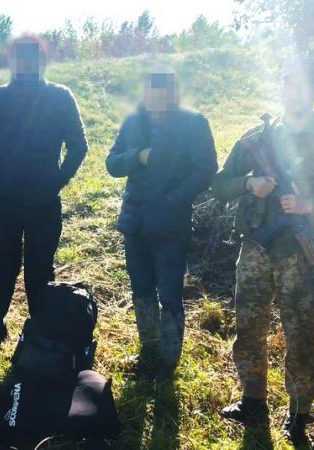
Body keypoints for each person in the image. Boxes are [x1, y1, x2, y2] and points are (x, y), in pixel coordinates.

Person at [212, 55, 314, 446]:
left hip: (303, 251)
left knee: (300, 334)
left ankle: (299, 413)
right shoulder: (257, 138)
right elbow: (218, 185)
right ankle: (252, 401)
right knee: (248, 328)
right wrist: (249, 184)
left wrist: (312, 205)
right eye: (286, 81)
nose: (293, 89)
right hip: (255, 249)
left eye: (301, 82)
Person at [0, 35, 88, 347]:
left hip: (45, 202)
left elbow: (78, 145)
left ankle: (41, 335)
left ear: (42, 60)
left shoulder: (60, 97)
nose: (25, 62)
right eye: (19, 56)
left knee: (41, 269)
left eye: (33, 56)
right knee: (2, 265)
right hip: (5, 201)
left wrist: (57, 181)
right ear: (11, 61)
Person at [105, 68, 217, 381]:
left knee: (169, 292)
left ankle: (168, 361)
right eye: (149, 91)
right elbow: (112, 163)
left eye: (160, 92)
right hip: (135, 221)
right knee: (140, 288)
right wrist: (137, 156)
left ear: (172, 93)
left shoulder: (193, 123)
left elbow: (206, 169)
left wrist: (173, 201)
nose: (154, 98)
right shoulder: (133, 121)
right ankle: (149, 350)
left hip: (171, 224)